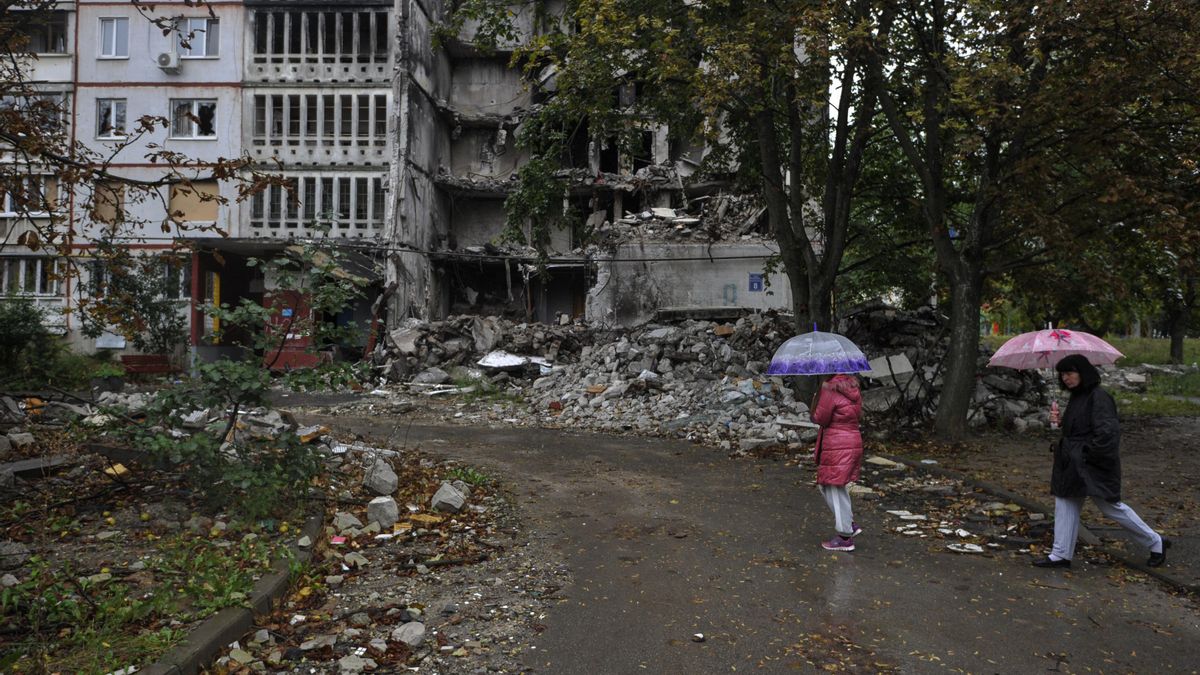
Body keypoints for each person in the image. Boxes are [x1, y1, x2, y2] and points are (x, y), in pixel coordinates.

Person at [1033, 354, 1171, 569]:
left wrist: (1088, 456)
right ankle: (1060, 553)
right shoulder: (1078, 397)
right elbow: (1081, 428)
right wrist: (1061, 423)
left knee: (1111, 507)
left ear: (1082, 372)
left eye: (1069, 373)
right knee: (1065, 503)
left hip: (1092, 462)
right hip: (1073, 461)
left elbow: (1107, 433)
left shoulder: (1099, 397)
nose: (1065, 378)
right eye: (1062, 374)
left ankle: (1155, 541)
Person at [810, 373, 864, 552]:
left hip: (837, 443)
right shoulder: (852, 387)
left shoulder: (829, 388)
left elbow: (820, 418)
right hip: (851, 440)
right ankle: (848, 524)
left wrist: (815, 401)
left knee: (831, 485)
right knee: (832, 485)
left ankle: (844, 536)